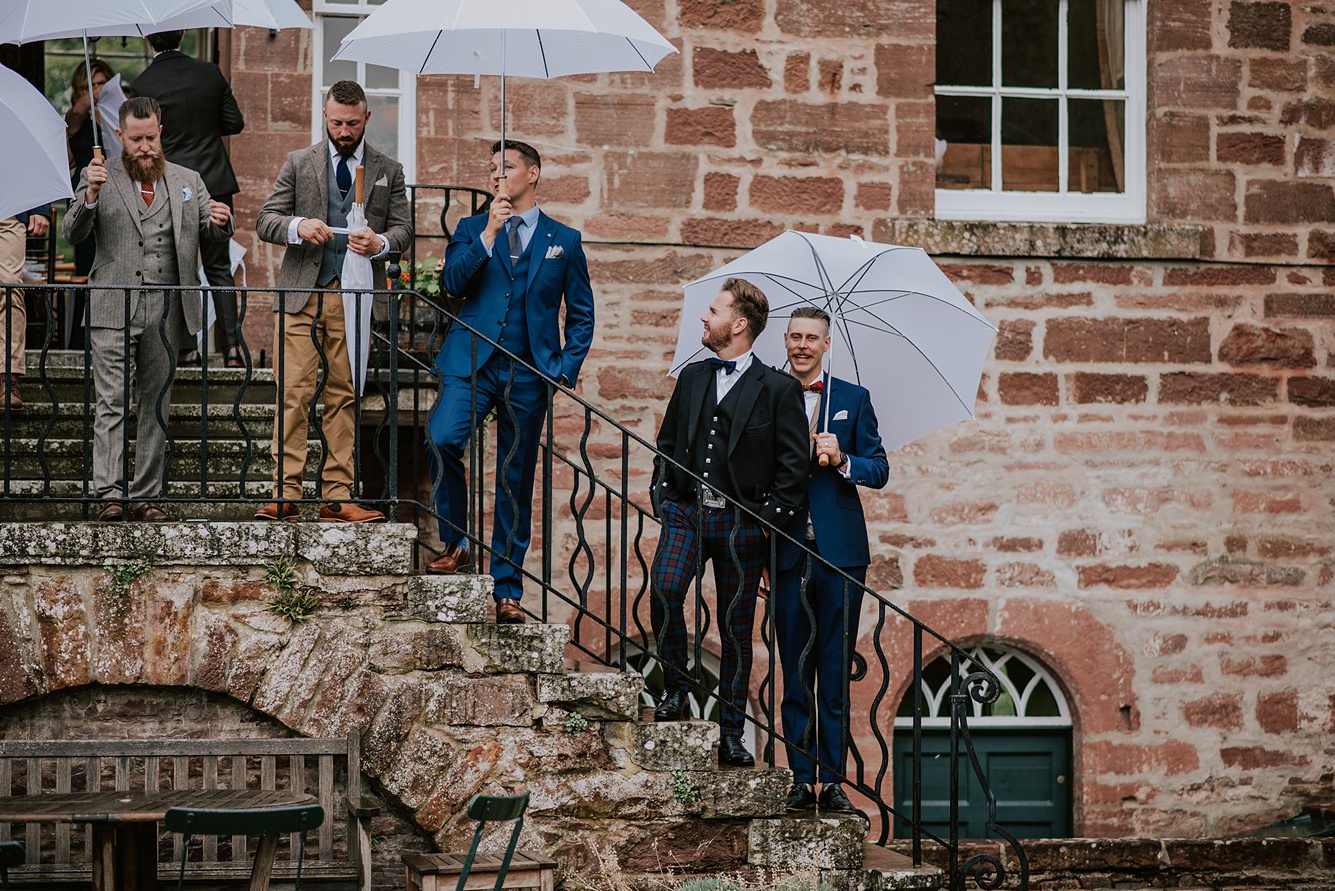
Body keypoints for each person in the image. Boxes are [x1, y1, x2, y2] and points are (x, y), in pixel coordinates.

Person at [427, 139, 595, 624]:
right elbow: (452, 286)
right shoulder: (471, 228)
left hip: (528, 371)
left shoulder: (565, 240)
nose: (497, 175)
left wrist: (562, 368)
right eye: (492, 169)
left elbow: (581, 315)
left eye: (507, 167)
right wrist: (489, 234)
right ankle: (456, 541)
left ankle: (507, 589)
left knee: (514, 479)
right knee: (441, 438)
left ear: (533, 174)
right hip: (472, 361)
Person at [649, 278, 808, 767]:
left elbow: (792, 468)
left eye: (713, 311)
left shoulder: (779, 389)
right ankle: (676, 688)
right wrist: (664, 498)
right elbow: (668, 443)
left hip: (743, 526)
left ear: (739, 324)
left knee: (736, 630)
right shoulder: (694, 377)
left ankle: (732, 733)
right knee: (664, 590)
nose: (704, 317)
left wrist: (765, 525)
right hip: (687, 514)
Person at [63, 96, 234, 522]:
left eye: (151, 138)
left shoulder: (187, 180)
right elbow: (72, 233)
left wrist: (220, 221)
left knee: (156, 401)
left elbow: (211, 236)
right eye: (136, 139)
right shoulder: (98, 174)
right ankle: (109, 494)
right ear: (120, 136)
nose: (145, 147)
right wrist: (90, 194)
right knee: (111, 402)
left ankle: (147, 496)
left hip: (167, 309)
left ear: (161, 133)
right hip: (111, 305)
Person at [254, 79, 412, 525]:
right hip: (304, 291)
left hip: (356, 296)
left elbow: (403, 230)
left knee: (345, 394)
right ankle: (285, 492)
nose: (344, 131)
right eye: (337, 122)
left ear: (366, 118)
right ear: (325, 116)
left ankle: (337, 497)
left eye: (352, 123)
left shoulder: (388, 169)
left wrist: (379, 241)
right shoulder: (298, 162)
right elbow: (267, 220)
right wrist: (298, 226)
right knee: (294, 392)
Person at [774, 306, 888, 813]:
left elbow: (880, 468)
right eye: (795, 337)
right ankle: (800, 777)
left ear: (826, 344)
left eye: (811, 338)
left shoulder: (854, 398)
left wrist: (843, 459)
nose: (802, 345)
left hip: (841, 553)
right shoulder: (769, 393)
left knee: (834, 669)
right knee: (795, 667)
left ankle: (834, 780)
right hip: (786, 548)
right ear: (785, 341)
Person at [133, 30, 246, 368]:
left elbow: (146, 141)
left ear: (149, 41)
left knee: (179, 267)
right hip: (214, 179)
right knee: (219, 266)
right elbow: (234, 123)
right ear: (183, 35)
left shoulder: (143, 83)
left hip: (173, 183)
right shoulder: (210, 73)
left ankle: (188, 348)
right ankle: (231, 351)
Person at [66, 58, 116, 349]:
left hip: (112, 185)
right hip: (85, 189)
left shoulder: (115, 112)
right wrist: (87, 103)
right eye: (91, 84)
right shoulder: (77, 115)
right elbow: (69, 129)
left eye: (101, 83)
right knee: (85, 260)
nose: (97, 89)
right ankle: (79, 339)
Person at [0, 206, 52, 410]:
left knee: (9, 288)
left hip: (9, 209)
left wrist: (40, 207)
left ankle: (8, 376)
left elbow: (37, 171)